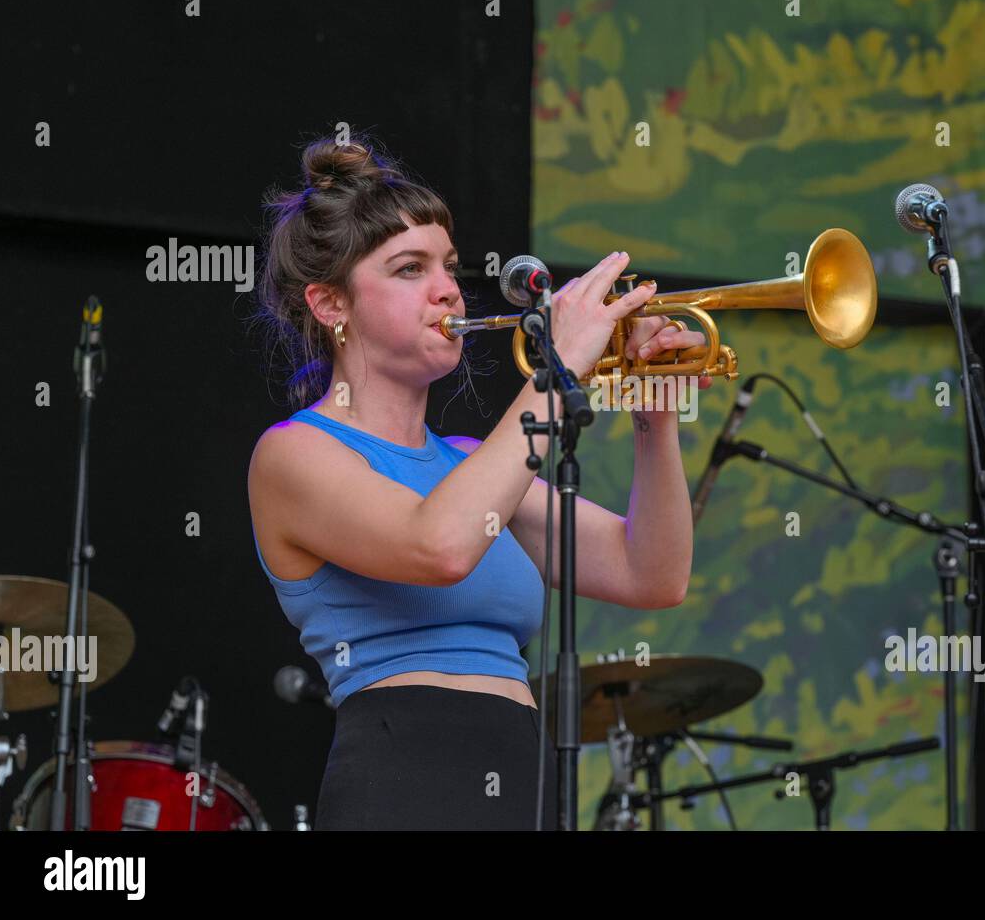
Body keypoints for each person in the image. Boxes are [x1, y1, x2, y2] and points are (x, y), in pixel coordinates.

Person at [247, 136, 709, 829]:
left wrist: (655, 420)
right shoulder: (294, 455)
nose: (447, 290)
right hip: (403, 777)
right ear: (329, 304)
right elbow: (438, 546)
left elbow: (654, 575)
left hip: (522, 780)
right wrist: (557, 372)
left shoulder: (473, 461)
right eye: (409, 269)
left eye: (449, 267)